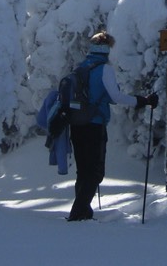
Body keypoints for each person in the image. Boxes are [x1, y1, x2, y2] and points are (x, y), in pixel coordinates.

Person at [67, 31, 158, 222]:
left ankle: (83, 210)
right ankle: (78, 212)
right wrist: (142, 101)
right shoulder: (104, 70)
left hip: (76, 124)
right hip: (95, 124)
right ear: (107, 50)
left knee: (83, 169)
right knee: (95, 171)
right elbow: (115, 97)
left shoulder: (82, 67)